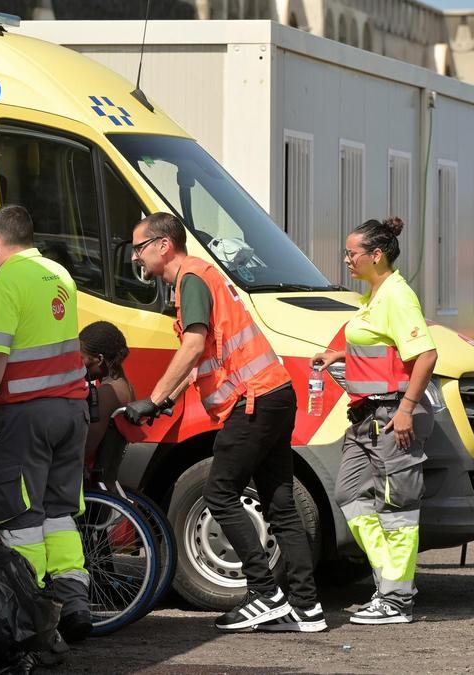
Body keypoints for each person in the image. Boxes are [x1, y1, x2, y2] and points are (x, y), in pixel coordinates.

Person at [123, 212, 325, 633]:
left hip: (252, 402)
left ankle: (265, 593)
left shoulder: (191, 279)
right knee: (280, 503)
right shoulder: (203, 277)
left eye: (140, 248)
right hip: (274, 394)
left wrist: (154, 397)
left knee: (219, 492)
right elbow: (206, 356)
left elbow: (194, 343)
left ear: (164, 245)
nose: (138, 259)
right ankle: (306, 609)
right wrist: (167, 402)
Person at [0, 204, 92, 643]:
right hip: (72, 411)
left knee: (20, 516)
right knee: (59, 513)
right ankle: (74, 602)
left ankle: (32, 615)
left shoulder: (4, 284)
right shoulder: (59, 274)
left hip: (26, 416)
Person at [311, 218, 437, 625]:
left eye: (353, 253)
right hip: (366, 416)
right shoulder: (376, 295)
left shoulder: (398, 296)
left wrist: (405, 409)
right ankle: (391, 583)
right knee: (349, 494)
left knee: (397, 508)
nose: (347, 259)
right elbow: (382, 351)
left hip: (390, 415)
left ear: (376, 255)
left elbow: (426, 355)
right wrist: (339, 357)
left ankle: (397, 600)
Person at [79, 320, 135, 487]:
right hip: (109, 479)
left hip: (94, 485)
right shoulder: (125, 385)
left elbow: (86, 447)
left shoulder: (107, 393)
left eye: (81, 358)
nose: (78, 364)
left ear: (99, 359)